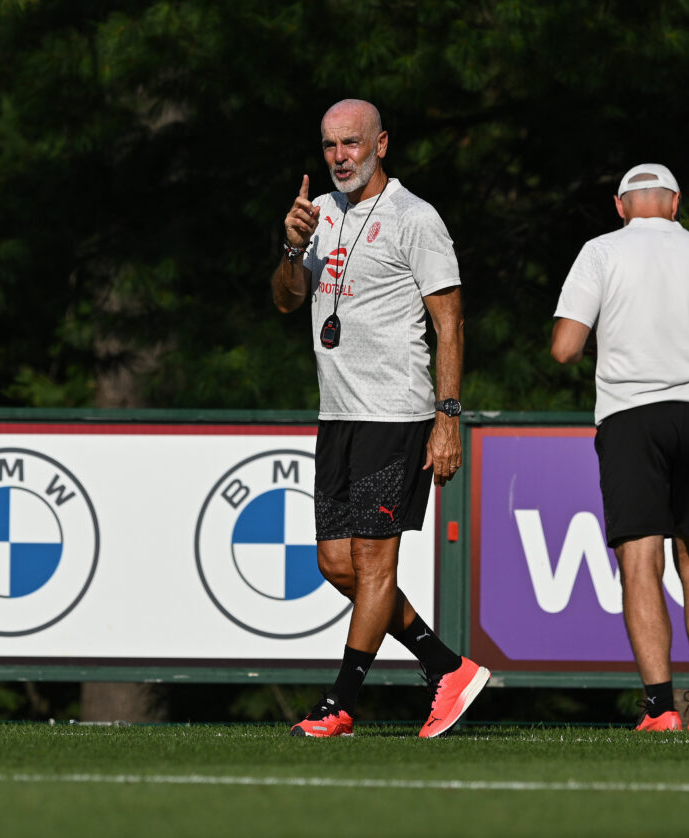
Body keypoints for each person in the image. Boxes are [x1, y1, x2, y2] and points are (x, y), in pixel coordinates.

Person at [271, 99, 489, 737]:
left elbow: (449, 320)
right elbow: (288, 300)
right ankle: (444, 666)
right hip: (338, 411)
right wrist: (291, 249)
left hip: (396, 412)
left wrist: (448, 416)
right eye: (330, 145)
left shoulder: (413, 217)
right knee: (335, 562)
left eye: (352, 143)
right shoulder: (320, 217)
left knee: (372, 560)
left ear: (381, 144)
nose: (340, 156)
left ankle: (340, 702)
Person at [550, 164, 689, 731]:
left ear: (620, 208)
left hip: (630, 417)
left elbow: (565, 349)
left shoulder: (600, 252)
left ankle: (659, 709)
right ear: (676, 205)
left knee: (640, 562)